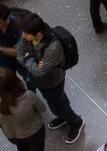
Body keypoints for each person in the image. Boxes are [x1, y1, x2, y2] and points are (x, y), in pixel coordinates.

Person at [16, 12, 84, 145]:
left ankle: (76, 122)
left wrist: (28, 57)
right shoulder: (27, 36)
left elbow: (40, 72)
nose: (23, 36)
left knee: (57, 103)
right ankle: (62, 116)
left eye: (26, 34)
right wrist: (32, 62)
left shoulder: (53, 47)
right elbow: (19, 55)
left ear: (37, 33)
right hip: (42, 80)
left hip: (52, 81)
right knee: (57, 100)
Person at [0, 67, 46, 151]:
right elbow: (43, 109)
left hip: (13, 137)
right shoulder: (28, 96)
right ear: (15, 80)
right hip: (34, 133)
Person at [0, 5, 28, 83]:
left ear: (7, 19)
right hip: (3, 61)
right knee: (6, 82)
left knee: (29, 81)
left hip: (21, 62)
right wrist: (10, 50)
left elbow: (17, 52)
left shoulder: (18, 25)